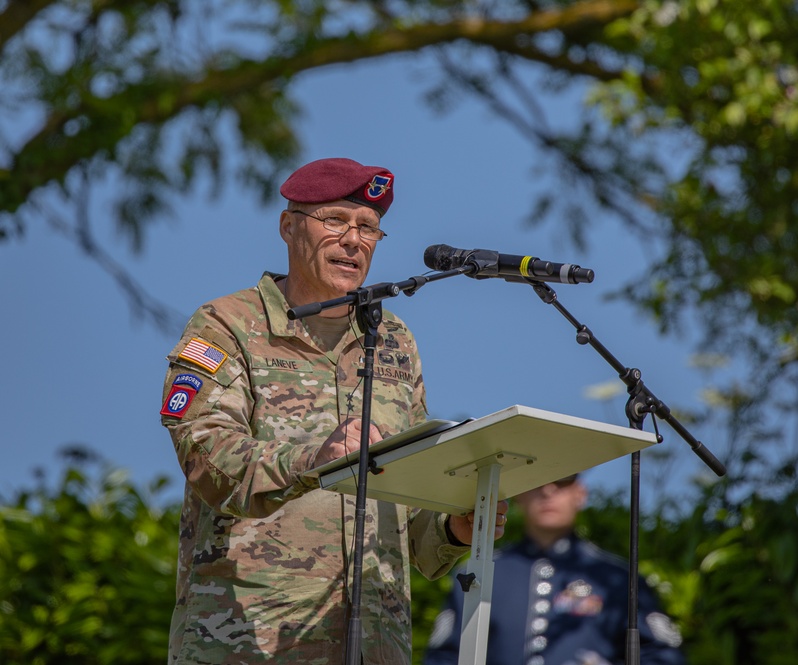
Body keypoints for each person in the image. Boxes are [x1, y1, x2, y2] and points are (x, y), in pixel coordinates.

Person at [159, 157, 508, 665]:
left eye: (368, 228)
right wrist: (314, 461)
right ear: (288, 226)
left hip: (373, 644)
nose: (354, 240)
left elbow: (409, 516)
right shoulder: (227, 325)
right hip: (249, 640)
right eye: (335, 221)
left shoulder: (392, 340)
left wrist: (454, 528)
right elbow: (208, 458)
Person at [423, 473, 687, 665]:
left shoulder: (616, 578)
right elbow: (443, 656)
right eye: (537, 481)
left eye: (562, 480)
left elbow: (664, 656)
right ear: (519, 496)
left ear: (580, 495)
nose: (548, 490)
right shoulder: (480, 572)